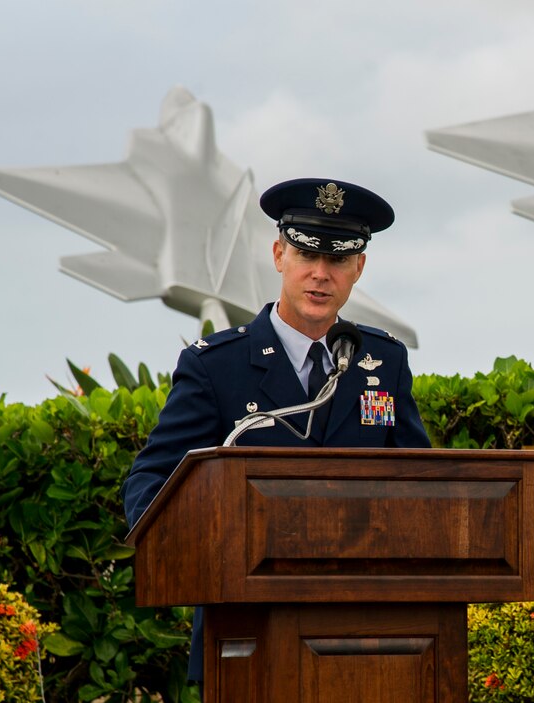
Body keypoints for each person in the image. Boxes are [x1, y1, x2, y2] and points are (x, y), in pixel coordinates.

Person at [121, 177, 431, 686]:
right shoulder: (216, 367)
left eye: (337, 260)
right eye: (307, 254)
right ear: (278, 254)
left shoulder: (383, 362)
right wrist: (205, 555)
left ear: (359, 268)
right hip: (246, 635)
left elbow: (420, 486)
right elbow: (151, 484)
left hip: (366, 642)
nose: (320, 274)